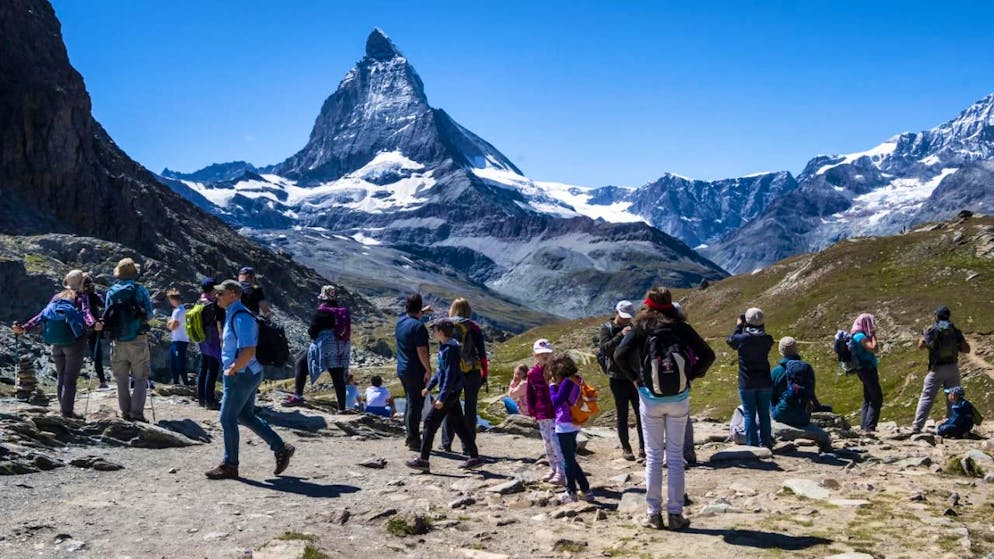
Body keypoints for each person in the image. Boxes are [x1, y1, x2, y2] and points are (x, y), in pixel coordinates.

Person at [614, 287, 714, 531]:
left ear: (648, 305)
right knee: (676, 457)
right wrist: (690, 376)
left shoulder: (641, 327)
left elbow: (619, 355)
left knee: (654, 456)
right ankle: (676, 514)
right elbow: (708, 355)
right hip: (679, 397)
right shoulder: (680, 327)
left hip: (650, 397)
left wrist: (636, 380)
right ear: (670, 305)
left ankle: (653, 513)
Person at [205, 280, 295, 480]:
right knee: (245, 415)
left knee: (227, 418)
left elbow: (247, 350)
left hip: (241, 374)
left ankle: (230, 464)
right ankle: (281, 447)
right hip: (248, 373)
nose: (217, 296)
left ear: (234, 294)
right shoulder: (234, 313)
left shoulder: (241, 317)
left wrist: (233, 369)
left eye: (221, 293)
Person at [13, 270, 99, 418]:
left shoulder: (57, 297)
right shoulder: (81, 297)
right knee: (70, 379)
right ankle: (67, 413)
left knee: (61, 377)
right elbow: (86, 314)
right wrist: (94, 324)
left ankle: (63, 409)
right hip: (74, 342)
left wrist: (24, 328)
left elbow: (41, 315)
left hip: (55, 342)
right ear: (81, 283)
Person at [405, 319, 483, 473]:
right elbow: (440, 372)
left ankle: (423, 460)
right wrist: (429, 387)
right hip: (451, 392)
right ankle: (474, 457)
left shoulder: (450, 350)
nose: (433, 333)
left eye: (434, 330)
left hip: (450, 393)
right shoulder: (446, 347)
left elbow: (450, 375)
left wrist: (442, 397)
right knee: (460, 425)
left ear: (440, 332)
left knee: (429, 422)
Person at [285, 286, 352, 410]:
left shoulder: (322, 311)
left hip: (326, 344)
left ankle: (298, 396)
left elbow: (312, 330)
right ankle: (341, 408)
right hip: (342, 344)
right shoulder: (341, 311)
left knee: (301, 364)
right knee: (337, 376)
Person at [104, 258, 154, 422]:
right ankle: (137, 413)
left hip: (117, 339)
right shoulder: (140, 290)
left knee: (121, 379)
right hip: (137, 337)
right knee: (140, 377)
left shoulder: (111, 291)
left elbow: (107, 314)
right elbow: (149, 314)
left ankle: (125, 412)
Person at [912, 306, 970, 433]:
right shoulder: (954, 330)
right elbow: (966, 349)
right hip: (953, 368)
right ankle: (953, 424)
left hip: (937, 369)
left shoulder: (933, 328)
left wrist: (923, 338)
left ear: (936, 316)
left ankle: (917, 427)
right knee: (953, 396)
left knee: (927, 397)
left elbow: (922, 346)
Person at [440, 298, 488, 454]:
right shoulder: (473, 327)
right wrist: (484, 375)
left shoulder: (446, 326)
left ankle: (446, 443)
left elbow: (443, 355)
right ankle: (468, 447)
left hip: (453, 373)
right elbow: (482, 354)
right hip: (472, 371)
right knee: (470, 409)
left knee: (450, 406)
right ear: (469, 310)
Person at [769, 337, 832, 453]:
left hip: (781, 414)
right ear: (796, 349)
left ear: (781, 351)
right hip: (803, 417)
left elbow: (770, 394)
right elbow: (811, 393)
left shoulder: (776, 371)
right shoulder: (806, 369)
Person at [598, 300, 643, 461]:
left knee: (641, 413)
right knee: (622, 414)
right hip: (617, 378)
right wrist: (620, 335)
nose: (626, 320)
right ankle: (626, 447)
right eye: (623, 316)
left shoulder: (634, 327)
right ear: (616, 313)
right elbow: (605, 349)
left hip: (635, 376)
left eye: (629, 317)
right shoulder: (607, 328)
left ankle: (643, 449)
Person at [726, 308, 774, 448]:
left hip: (747, 382)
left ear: (747, 321)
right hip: (765, 381)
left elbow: (730, 341)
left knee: (749, 414)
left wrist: (739, 327)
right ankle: (766, 443)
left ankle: (752, 445)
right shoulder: (767, 339)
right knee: (764, 414)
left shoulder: (742, 338)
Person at [548, 352, 592, 504]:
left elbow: (556, 401)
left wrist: (552, 387)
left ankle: (571, 491)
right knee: (571, 459)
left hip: (564, 424)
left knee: (567, 460)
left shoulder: (566, 382)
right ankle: (586, 490)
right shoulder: (577, 379)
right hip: (574, 422)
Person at [396, 294, 433, 451]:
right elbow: (422, 350)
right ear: (418, 308)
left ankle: (409, 435)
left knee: (410, 402)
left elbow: (412, 315)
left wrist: (422, 311)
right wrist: (428, 369)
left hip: (403, 369)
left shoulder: (400, 322)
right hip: (415, 369)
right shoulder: (419, 327)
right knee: (415, 405)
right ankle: (413, 439)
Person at [526, 339, 564, 485]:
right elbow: (530, 393)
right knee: (547, 442)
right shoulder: (532, 373)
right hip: (541, 413)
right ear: (535, 355)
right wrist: (532, 411)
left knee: (556, 442)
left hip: (556, 413)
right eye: (541, 354)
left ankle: (562, 471)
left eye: (547, 353)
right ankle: (553, 468)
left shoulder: (556, 371)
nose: (544, 356)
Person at [195, 278, 225, 409]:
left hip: (202, 340)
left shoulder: (199, 301)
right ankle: (210, 401)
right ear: (213, 289)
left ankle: (201, 399)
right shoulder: (212, 304)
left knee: (203, 369)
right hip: (212, 340)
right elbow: (218, 322)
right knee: (212, 371)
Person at [851, 313, 882, 432]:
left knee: (868, 397)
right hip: (867, 369)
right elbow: (874, 348)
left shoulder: (856, 335)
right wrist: (873, 335)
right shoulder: (860, 336)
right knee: (876, 398)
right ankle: (869, 427)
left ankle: (864, 425)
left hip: (863, 369)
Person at [82, 274, 108, 390]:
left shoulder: (78, 296)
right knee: (97, 355)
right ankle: (102, 380)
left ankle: (102, 380)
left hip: (82, 327)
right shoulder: (93, 296)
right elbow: (103, 304)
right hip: (95, 327)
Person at [166, 288, 191, 386]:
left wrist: (169, 323)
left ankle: (184, 382)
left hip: (179, 340)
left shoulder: (178, 311)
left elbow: (172, 326)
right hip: (179, 339)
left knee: (179, 363)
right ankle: (177, 382)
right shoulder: (180, 309)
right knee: (175, 363)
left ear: (172, 299)